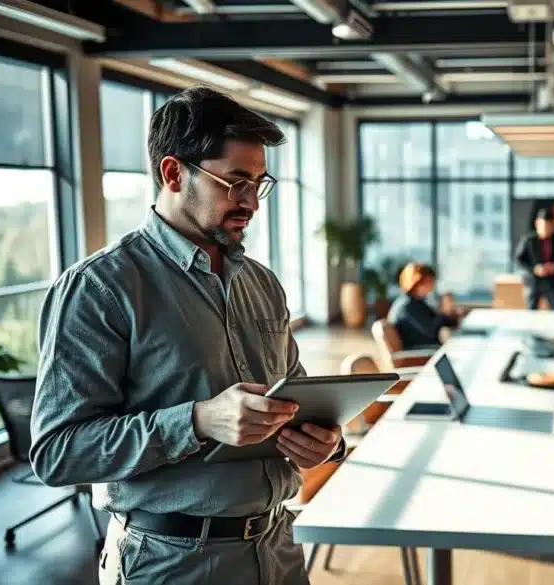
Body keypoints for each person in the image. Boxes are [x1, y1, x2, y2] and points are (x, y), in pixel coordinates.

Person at [29, 86, 345, 585]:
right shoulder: (101, 288)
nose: (250, 204)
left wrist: (324, 439)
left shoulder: (261, 283)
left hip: (278, 548)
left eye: (259, 184)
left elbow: (296, 397)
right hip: (170, 563)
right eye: (235, 182)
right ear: (173, 173)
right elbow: (59, 450)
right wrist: (197, 421)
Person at [388, 262, 460, 349]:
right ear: (416, 283)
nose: (431, 287)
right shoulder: (408, 305)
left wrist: (451, 313)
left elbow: (439, 321)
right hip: (418, 352)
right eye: (428, 283)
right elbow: (432, 331)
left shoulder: (417, 301)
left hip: (425, 348)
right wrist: (445, 312)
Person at [514, 207, 554, 310]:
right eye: (542, 225)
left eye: (547, 225)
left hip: (552, 283)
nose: (545, 228)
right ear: (537, 224)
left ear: (552, 226)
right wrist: (534, 269)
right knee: (531, 312)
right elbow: (519, 259)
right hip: (533, 282)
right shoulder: (528, 240)